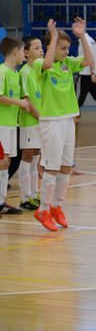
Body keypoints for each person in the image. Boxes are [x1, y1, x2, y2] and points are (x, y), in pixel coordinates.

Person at [33, 18, 93, 231]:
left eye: (68, 48)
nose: (67, 52)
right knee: (52, 167)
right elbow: (48, 64)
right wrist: (54, 36)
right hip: (51, 122)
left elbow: (89, 60)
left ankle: (56, 206)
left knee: (66, 167)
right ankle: (43, 209)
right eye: (63, 48)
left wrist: (82, 36)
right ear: (52, 46)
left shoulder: (68, 63)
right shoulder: (40, 64)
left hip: (68, 120)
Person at [0, 37, 30, 215]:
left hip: (12, 123)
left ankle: (1, 201)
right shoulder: (2, 71)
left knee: (7, 161)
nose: (24, 55)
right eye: (22, 50)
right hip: (2, 124)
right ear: (15, 51)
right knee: (2, 161)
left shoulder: (16, 74)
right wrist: (19, 102)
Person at [18, 35, 44, 210]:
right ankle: (25, 197)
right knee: (27, 157)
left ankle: (34, 194)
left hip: (40, 120)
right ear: (26, 53)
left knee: (35, 156)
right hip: (29, 121)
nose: (41, 50)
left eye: (41, 47)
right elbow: (26, 100)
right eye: (36, 48)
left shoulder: (39, 70)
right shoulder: (25, 72)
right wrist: (41, 118)